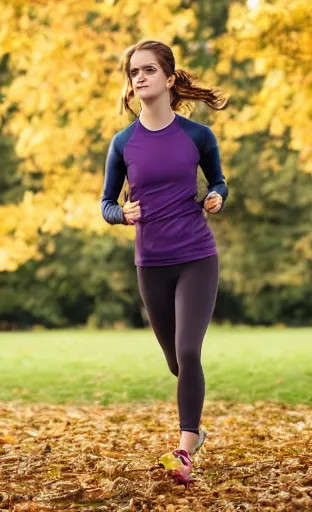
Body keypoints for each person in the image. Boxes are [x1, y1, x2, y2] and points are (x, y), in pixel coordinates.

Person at [99, 40, 229, 485]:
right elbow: (106, 203)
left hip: (196, 256)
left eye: (149, 70)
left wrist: (215, 196)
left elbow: (219, 181)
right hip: (150, 263)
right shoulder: (122, 143)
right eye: (133, 71)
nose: (139, 77)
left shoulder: (198, 136)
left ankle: (185, 447)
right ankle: (197, 423)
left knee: (190, 351)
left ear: (169, 79)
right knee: (177, 363)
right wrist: (122, 214)